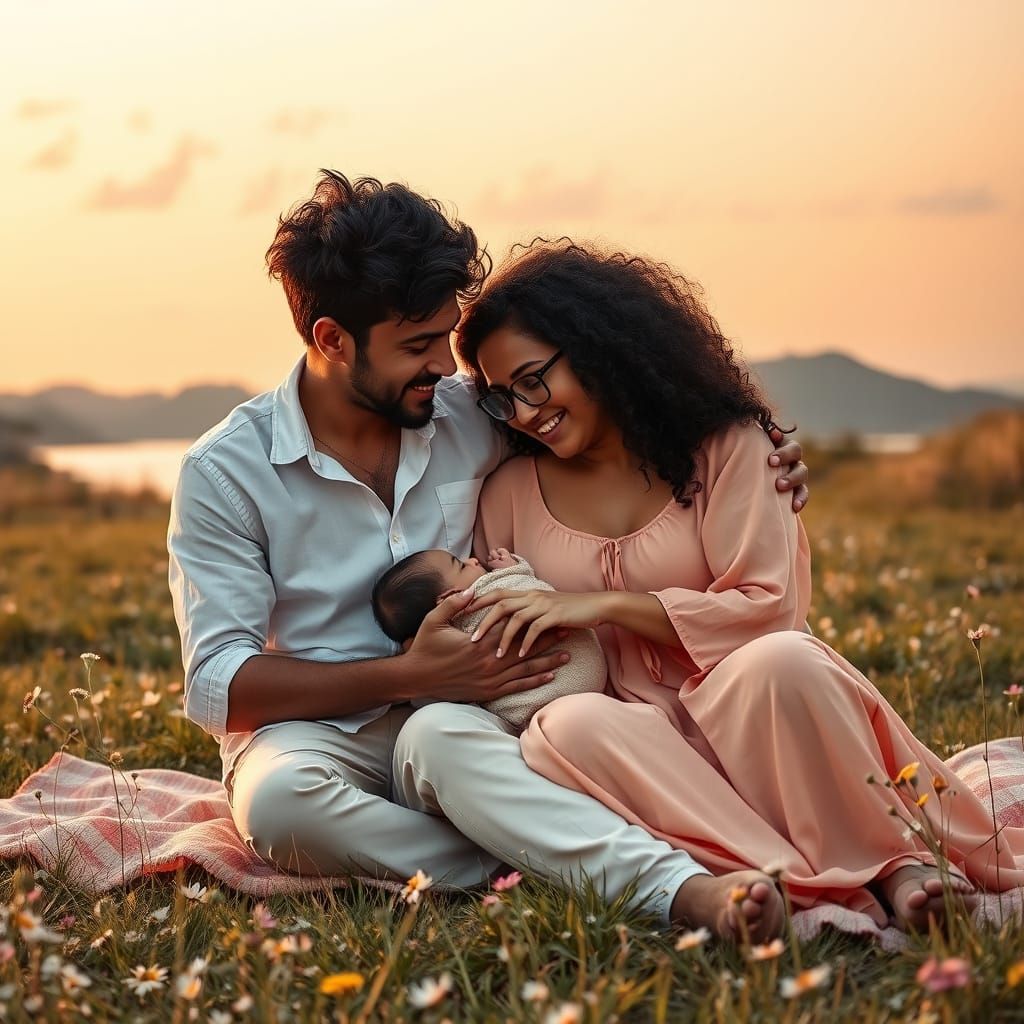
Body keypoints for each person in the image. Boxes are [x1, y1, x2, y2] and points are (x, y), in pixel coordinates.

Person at [167, 171, 810, 941]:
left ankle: (635, 874)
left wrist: (747, 442)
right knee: (277, 805)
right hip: (323, 731)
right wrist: (411, 676)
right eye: (416, 345)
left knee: (439, 735)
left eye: (445, 335)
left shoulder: (476, 415)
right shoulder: (225, 474)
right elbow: (217, 684)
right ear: (332, 340)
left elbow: (619, 412)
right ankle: (607, 866)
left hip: (483, 716)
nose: (446, 365)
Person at [454, 238, 1024, 932]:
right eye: (500, 399)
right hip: (643, 749)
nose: (521, 411)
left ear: (597, 346)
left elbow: (769, 607)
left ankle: (899, 865)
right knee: (563, 727)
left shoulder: (728, 448)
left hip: (764, 714)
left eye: (533, 380)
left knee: (783, 662)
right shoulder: (506, 493)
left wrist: (602, 603)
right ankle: (779, 884)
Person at [372, 546, 607, 729]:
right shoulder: (482, 600)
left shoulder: (441, 666)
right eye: (461, 566)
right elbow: (521, 585)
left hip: (531, 716)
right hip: (583, 686)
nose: (473, 560)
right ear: (451, 598)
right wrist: (514, 568)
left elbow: (530, 594)